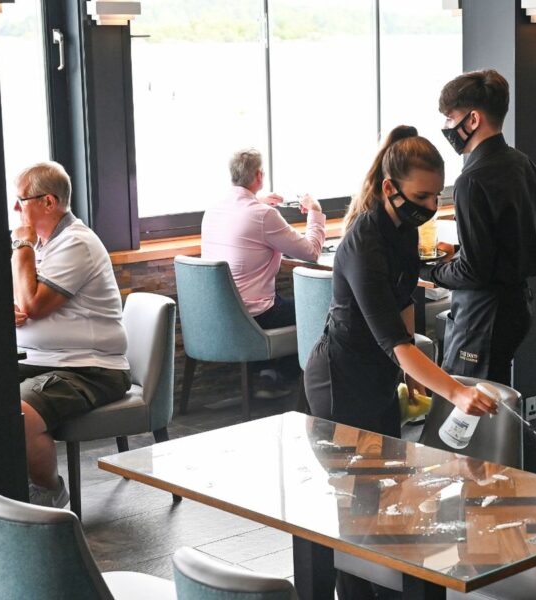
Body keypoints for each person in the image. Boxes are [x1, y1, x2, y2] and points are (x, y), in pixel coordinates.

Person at [304, 126, 497, 599]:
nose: (430, 206)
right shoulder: (362, 243)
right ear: (390, 187)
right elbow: (394, 341)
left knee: (389, 493)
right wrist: (453, 390)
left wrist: (412, 380)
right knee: (355, 502)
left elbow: (405, 306)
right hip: (339, 379)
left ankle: (387, 586)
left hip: (377, 372)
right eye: (421, 195)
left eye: (436, 196)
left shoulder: (405, 230)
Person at [12, 162, 131, 508]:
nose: (16, 210)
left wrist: (21, 245)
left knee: (17, 411)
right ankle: (1, 486)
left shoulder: (75, 243)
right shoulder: (43, 245)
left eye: (21, 200)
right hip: (42, 359)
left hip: (89, 369)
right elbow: (22, 297)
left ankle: (48, 492)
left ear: (48, 202)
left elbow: (33, 304)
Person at [420, 69, 536, 385]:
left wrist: (432, 272)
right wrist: (460, 254)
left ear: (473, 120)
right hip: (518, 304)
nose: (447, 127)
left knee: (465, 412)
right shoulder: (524, 165)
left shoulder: (472, 180)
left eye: (450, 119)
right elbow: (507, 242)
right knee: (493, 400)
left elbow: (475, 271)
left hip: (483, 314)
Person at [201, 148, 325, 331]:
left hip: (220, 313)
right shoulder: (263, 215)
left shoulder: (213, 210)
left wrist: (256, 200)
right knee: (322, 312)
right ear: (259, 176)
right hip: (255, 316)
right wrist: (315, 210)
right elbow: (311, 252)